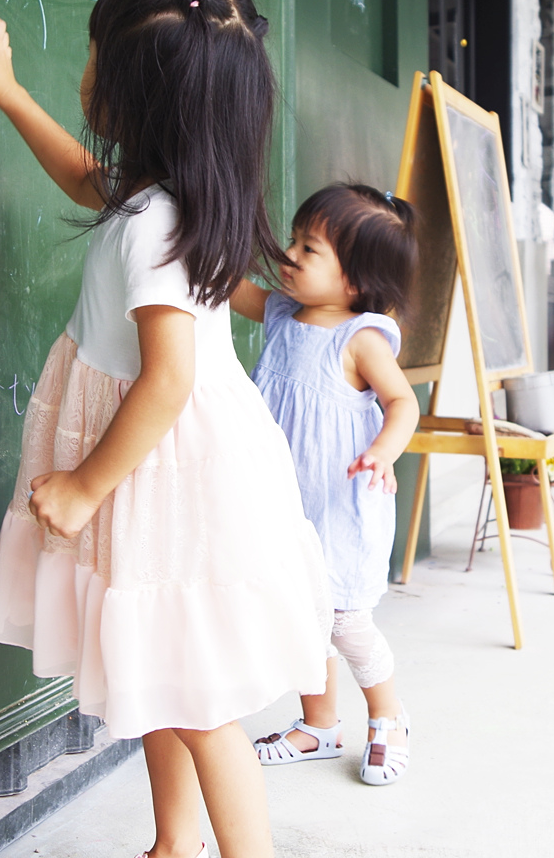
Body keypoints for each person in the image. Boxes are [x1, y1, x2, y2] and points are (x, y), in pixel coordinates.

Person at [0, 0, 330, 858]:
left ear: (135, 93)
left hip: (165, 472)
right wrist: (5, 95)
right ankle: (173, 844)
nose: (82, 73)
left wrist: (85, 487)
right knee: (163, 675)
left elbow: (167, 379)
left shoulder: (158, 225)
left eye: (92, 56)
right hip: (160, 464)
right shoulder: (159, 200)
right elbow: (87, 179)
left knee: (201, 704)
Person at [230, 183, 421, 786]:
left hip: (341, 506)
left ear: (355, 281)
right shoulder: (283, 313)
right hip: (286, 504)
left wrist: (383, 452)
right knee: (302, 615)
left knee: (344, 621)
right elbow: (232, 289)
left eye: (308, 249)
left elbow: (403, 403)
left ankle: (388, 716)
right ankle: (319, 725)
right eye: (292, 239)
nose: (288, 255)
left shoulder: (361, 339)